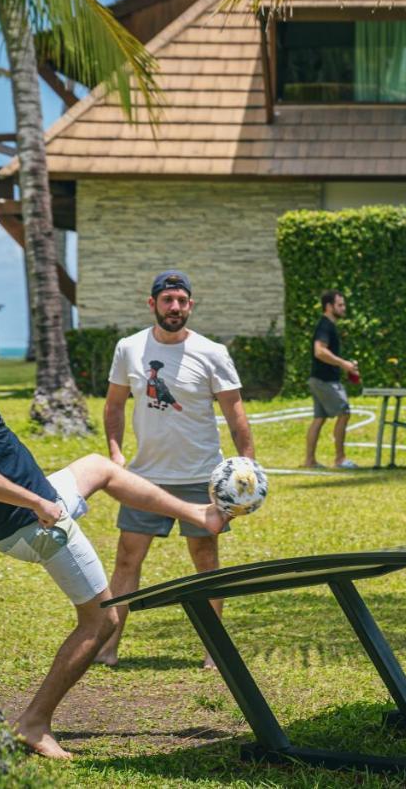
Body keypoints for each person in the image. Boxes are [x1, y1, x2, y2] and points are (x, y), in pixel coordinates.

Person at [0, 295, 237, 760]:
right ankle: (34, 723)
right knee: (102, 619)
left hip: (26, 507)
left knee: (99, 467)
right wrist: (34, 501)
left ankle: (200, 515)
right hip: (33, 519)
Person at [95, 271, 255, 669]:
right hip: (144, 477)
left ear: (190, 305)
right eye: (167, 300)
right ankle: (108, 647)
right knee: (128, 561)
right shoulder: (128, 348)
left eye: (182, 301)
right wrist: (115, 453)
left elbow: (235, 413)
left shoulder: (212, 351)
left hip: (202, 476)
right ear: (152, 304)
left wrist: (246, 465)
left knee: (205, 559)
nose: (175, 307)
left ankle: (213, 650)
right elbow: (114, 405)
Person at [304, 289, 360, 469]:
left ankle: (309, 461)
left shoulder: (327, 325)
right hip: (324, 381)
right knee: (344, 413)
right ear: (329, 306)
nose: (344, 308)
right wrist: (343, 364)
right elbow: (319, 351)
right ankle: (340, 459)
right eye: (340, 305)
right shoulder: (325, 325)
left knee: (319, 418)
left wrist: (343, 365)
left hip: (318, 379)